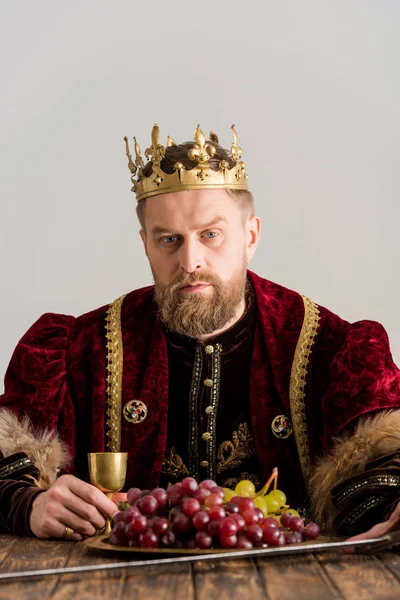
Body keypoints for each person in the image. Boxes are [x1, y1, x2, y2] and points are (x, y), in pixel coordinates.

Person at [1, 124, 399, 543]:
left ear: (250, 236)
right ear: (145, 245)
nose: (190, 260)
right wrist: (26, 505)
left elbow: (382, 476)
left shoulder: (333, 348)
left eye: (210, 235)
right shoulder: (75, 350)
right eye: (169, 239)